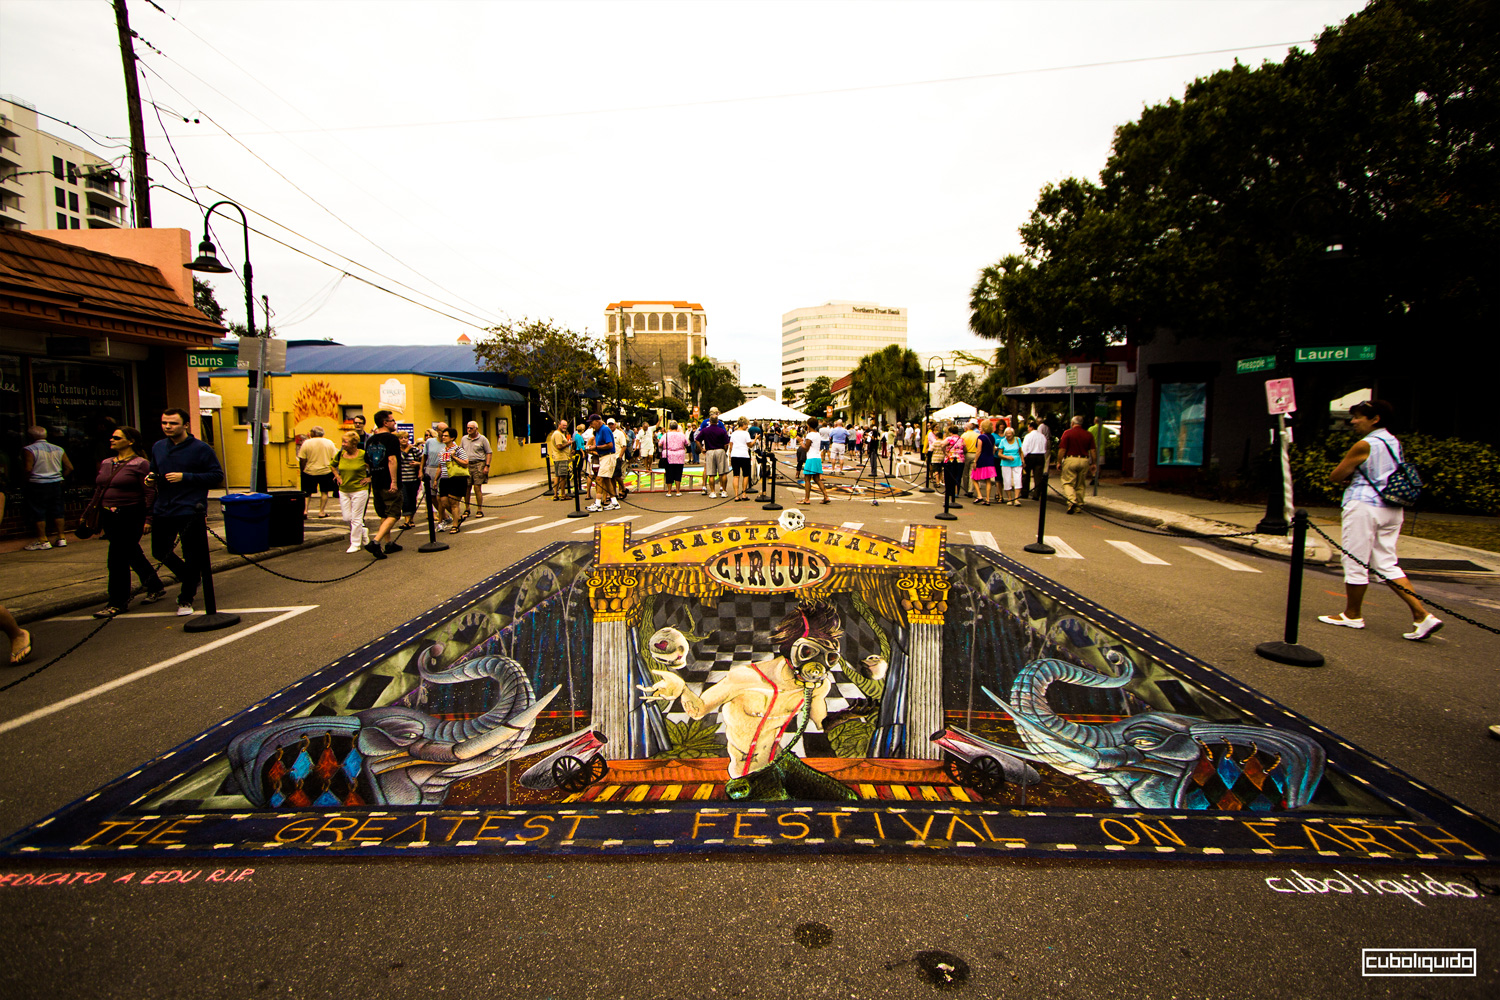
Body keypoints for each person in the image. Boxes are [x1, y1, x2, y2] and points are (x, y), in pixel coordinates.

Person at [1318, 399, 1441, 641]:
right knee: (1386, 563)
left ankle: (1352, 614)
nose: (1353, 422)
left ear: (1375, 419)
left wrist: (1346, 477)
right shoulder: (1394, 442)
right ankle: (1421, 615)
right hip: (1392, 507)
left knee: (1354, 559)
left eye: (1358, 417)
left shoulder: (1364, 444)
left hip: (1364, 506)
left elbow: (1337, 475)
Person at [149, 408, 224, 616]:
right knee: (159, 550)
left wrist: (186, 477)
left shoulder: (201, 449)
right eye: (164, 423)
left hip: (191, 509)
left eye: (172, 423)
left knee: (192, 555)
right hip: (164, 507)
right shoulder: (158, 447)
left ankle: (186, 598)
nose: (167, 427)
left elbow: (216, 475)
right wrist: (151, 477)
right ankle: (190, 577)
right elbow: (154, 469)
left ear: (185, 425)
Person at [86, 426, 166, 619]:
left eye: (116, 437)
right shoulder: (106, 463)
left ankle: (117, 602)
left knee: (116, 558)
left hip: (131, 514)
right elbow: (99, 489)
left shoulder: (141, 464)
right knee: (132, 553)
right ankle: (154, 585)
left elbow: (149, 492)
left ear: (130, 441)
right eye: (111, 437)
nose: (111, 440)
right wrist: (90, 512)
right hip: (108, 515)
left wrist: (149, 518)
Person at [22, 425, 72, 551]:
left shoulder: (29, 449)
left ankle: (42, 540)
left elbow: (28, 468)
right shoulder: (58, 449)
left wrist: (25, 480)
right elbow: (69, 467)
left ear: (30, 437)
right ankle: (61, 537)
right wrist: (61, 477)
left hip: (37, 483)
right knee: (58, 510)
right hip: (56, 482)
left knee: (39, 511)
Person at [360, 410, 401, 558]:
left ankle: (388, 543)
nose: (394, 423)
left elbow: (367, 461)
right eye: (392, 420)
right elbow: (392, 460)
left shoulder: (370, 440)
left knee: (383, 513)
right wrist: (394, 482)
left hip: (376, 481)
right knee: (394, 513)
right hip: (388, 481)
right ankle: (376, 541)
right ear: (385, 422)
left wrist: (372, 476)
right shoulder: (391, 439)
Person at [331, 431, 370, 553]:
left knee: (357, 518)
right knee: (347, 517)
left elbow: (374, 467)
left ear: (354, 444)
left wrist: (369, 478)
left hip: (359, 490)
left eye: (345, 442)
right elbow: (332, 465)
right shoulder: (340, 454)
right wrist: (337, 475)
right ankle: (363, 531)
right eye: (342, 441)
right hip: (344, 489)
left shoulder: (363, 455)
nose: (343, 444)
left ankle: (355, 543)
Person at [296, 426, 339, 518]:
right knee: (324, 492)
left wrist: (302, 470)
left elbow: (302, 458)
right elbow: (334, 458)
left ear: (313, 433)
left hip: (309, 471)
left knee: (307, 493)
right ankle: (321, 512)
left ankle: (305, 511)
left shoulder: (306, 443)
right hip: (326, 471)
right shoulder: (329, 443)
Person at [1057, 415, 1097, 514]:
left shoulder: (1068, 433)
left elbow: (1062, 450)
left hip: (1070, 459)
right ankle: (1079, 505)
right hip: (1084, 460)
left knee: (1067, 482)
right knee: (1080, 484)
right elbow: (1093, 451)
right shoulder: (1088, 435)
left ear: (1072, 423)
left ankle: (1072, 501)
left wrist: (1059, 461)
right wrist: (1093, 463)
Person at [436, 426, 471, 531]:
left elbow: (466, 463)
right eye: (443, 436)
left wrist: (454, 457)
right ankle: (458, 517)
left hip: (457, 478)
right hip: (445, 479)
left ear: (452, 438)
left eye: (446, 436)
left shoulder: (458, 449)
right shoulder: (442, 450)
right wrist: (435, 479)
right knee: (443, 502)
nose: (443, 438)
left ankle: (455, 525)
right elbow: (440, 466)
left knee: (454, 502)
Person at [586, 413, 620, 512]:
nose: (591, 425)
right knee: (606, 480)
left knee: (599, 479)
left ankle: (597, 503)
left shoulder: (604, 429)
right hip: (603, 456)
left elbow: (609, 445)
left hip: (608, 456)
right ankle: (614, 502)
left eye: (592, 423)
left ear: (598, 421)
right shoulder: (597, 431)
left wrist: (596, 447)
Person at [462, 420, 492, 519]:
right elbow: (460, 450)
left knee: (477, 487)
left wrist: (487, 465)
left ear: (476, 429)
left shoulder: (482, 439)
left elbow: (488, 452)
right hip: (467, 464)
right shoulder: (464, 439)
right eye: (468, 428)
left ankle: (479, 509)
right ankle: (467, 508)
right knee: (466, 487)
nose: (469, 430)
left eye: (471, 428)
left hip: (479, 463)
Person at [697, 408, 730, 497]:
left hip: (709, 450)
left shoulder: (704, 425)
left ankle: (710, 490)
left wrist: (701, 448)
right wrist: (725, 450)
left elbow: (697, 438)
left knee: (710, 472)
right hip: (720, 450)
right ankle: (723, 490)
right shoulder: (721, 428)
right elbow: (726, 442)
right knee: (722, 472)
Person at [421, 422, 448, 523]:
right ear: (437, 431)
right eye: (442, 431)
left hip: (443, 470)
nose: (444, 433)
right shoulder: (430, 442)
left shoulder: (449, 443)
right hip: (430, 469)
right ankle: (444, 516)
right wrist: (421, 471)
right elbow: (424, 456)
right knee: (431, 496)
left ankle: (444, 516)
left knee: (442, 497)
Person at [801, 418, 830, 505]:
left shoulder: (810, 435)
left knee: (807, 479)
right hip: (817, 457)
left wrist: (801, 442)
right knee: (817, 479)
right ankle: (825, 496)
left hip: (811, 458)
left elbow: (806, 448)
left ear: (808, 425)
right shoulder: (817, 434)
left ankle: (807, 498)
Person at [970, 418, 998, 505]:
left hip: (982, 459)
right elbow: (993, 449)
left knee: (974, 478)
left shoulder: (981, 437)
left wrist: (975, 461)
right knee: (988, 480)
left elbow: (979, 450)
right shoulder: (992, 437)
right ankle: (988, 499)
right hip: (990, 459)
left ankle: (979, 495)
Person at [397, 430, 422, 529]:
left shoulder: (415, 450)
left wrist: (418, 464)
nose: (404, 440)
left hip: (413, 479)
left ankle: (411, 519)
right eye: (401, 438)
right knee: (405, 500)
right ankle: (406, 521)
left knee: (412, 499)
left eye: (405, 438)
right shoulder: (397, 450)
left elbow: (424, 460)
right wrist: (406, 450)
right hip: (402, 479)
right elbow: (399, 460)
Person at [547, 419, 575, 500]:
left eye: (566, 425)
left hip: (559, 457)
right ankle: (562, 494)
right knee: (562, 477)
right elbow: (559, 446)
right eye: (563, 425)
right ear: (559, 425)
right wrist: (568, 444)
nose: (565, 427)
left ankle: (556, 494)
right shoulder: (558, 434)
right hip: (560, 458)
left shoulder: (559, 434)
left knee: (558, 476)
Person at [1021, 420, 1048, 500]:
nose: (1028, 429)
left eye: (1028, 427)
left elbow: (1025, 448)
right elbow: (1045, 446)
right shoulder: (1042, 436)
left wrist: (1023, 458)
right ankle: (1036, 494)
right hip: (1040, 455)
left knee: (1026, 475)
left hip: (1030, 455)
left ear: (1031, 427)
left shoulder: (1028, 436)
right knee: (1038, 476)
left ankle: (1025, 492)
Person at [729, 416, 754, 501]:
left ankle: (736, 495)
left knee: (736, 475)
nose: (747, 426)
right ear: (743, 424)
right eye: (746, 424)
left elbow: (731, 445)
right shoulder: (746, 433)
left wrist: (730, 454)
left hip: (735, 455)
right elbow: (749, 445)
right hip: (744, 455)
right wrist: (756, 439)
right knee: (745, 475)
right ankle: (744, 494)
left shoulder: (734, 433)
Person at [998, 424, 1024, 505]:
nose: (1008, 435)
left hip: (1017, 462)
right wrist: (1007, 457)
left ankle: (1016, 498)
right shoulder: (1003, 441)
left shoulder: (1017, 440)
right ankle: (1009, 498)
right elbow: (999, 454)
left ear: (1013, 434)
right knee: (1007, 481)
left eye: (1010, 434)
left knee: (1018, 480)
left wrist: (1023, 460)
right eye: (1007, 434)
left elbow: (1020, 451)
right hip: (1006, 463)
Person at [662, 420, 689, 497]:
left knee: (669, 473)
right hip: (679, 456)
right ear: (677, 427)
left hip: (668, 456)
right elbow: (686, 443)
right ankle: (677, 491)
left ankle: (669, 492)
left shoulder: (665, 435)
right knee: (678, 473)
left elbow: (660, 443)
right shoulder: (681, 435)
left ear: (669, 427)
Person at [942, 424, 966, 506]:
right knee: (958, 476)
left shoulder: (949, 438)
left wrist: (945, 452)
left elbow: (942, 445)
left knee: (949, 476)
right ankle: (956, 492)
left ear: (950, 431)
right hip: (960, 459)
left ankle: (949, 491)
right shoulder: (961, 439)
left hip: (950, 459)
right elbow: (965, 448)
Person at [960, 421, 981, 498]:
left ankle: (966, 489)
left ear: (966, 428)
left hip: (966, 454)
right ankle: (970, 490)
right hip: (975, 454)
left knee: (965, 473)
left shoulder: (963, 435)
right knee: (972, 473)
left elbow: (961, 445)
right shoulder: (978, 435)